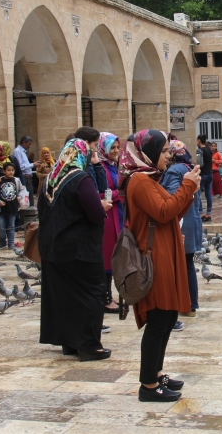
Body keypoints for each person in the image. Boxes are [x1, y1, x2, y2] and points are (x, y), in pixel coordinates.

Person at [120, 130, 200, 402]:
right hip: (155, 257)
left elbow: (171, 210)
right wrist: (187, 185)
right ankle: (148, 385)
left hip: (165, 252)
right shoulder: (140, 181)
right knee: (158, 319)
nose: (168, 155)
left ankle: (156, 373)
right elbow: (164, 211)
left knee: (167, 317)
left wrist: (190, 190)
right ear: (148, 152)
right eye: (164, 151)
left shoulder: (149, 178)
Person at [39, 138, 112, 361]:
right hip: (79, 249)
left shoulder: (50, 180)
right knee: (90, 294)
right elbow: (95, 213)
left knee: (64, 296)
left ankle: (69, 342)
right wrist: (103, 207)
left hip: (52, 247)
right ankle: (90, 346)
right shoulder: (80, 179)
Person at [161, 139, 201, 320]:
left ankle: (184, 304)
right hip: (192, 219)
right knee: (188, 263)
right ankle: (190, 304)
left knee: (182, 263)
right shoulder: (189, 168)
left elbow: (173, 196)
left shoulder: (174, 170)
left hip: (181, 221)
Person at [98, 132, 122, 315]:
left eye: (116, 147)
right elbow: (101, 193)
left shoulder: (113, 165)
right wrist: (119, 194)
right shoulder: (101, 168)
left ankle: (108, 293)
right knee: (107, 256)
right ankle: (105, 297)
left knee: (114, 255)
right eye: (111, 148)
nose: (115, 151)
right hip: (108, 214)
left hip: (118, 213)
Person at [0, 162, 23, 255]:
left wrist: (20, 197)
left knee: (11, 226)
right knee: (1, 226)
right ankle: (2, 242)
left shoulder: (16, 180)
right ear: (4, 171)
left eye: (12, 170)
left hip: (12, 207)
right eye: (8, 170)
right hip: (1, 208)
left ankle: (11, 243)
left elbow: (22, 190)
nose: (11, 172)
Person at [14, 136, 40, 207]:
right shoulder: (17, 151)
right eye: (29, 144)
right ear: (23, 143)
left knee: (30, 196)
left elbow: (25, 164)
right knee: (26, 197)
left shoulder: (22, 152)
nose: (30, 146)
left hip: (28, 177)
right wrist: (33, 165)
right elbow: (20, 166)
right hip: (24, 177)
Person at [196, 134, 213, 221]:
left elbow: (200, 164)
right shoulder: (209, 150)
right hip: (210, 173)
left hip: (202, 175)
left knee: (198, 194)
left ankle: (201, 212)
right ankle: (209, 213)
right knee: (208, 194)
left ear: (199, 140)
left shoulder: (200, 151)